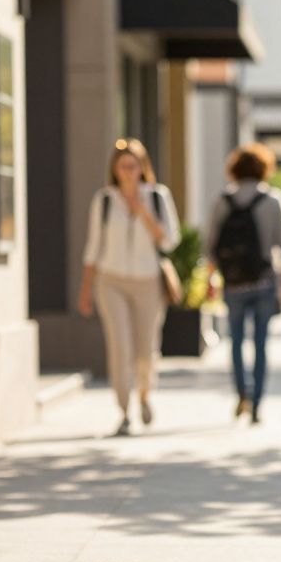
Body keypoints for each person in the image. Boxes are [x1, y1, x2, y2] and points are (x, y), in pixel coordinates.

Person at [78, 138, 180, 436]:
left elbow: (170, 241)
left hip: (148, 281)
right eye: (122, 166)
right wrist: (85, 290)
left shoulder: (159, 196)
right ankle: (124, 411)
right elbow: (93, 248)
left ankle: (145, 395)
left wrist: (143, 212)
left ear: (142, 167)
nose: (127, 171)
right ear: (114, 168)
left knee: (146, 347)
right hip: (111, 281)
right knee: (120, 347)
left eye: (132, 166)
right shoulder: (105, 200)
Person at [204, 143, 281, 424]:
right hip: (264, 282)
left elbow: (210, 246)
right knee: (260, 343)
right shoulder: (273, 200)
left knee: (234, 342)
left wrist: (211, 279)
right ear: (263, 168)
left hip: (232, 283)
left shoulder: (223, 199)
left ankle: (241, 393)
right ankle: (257, 403)